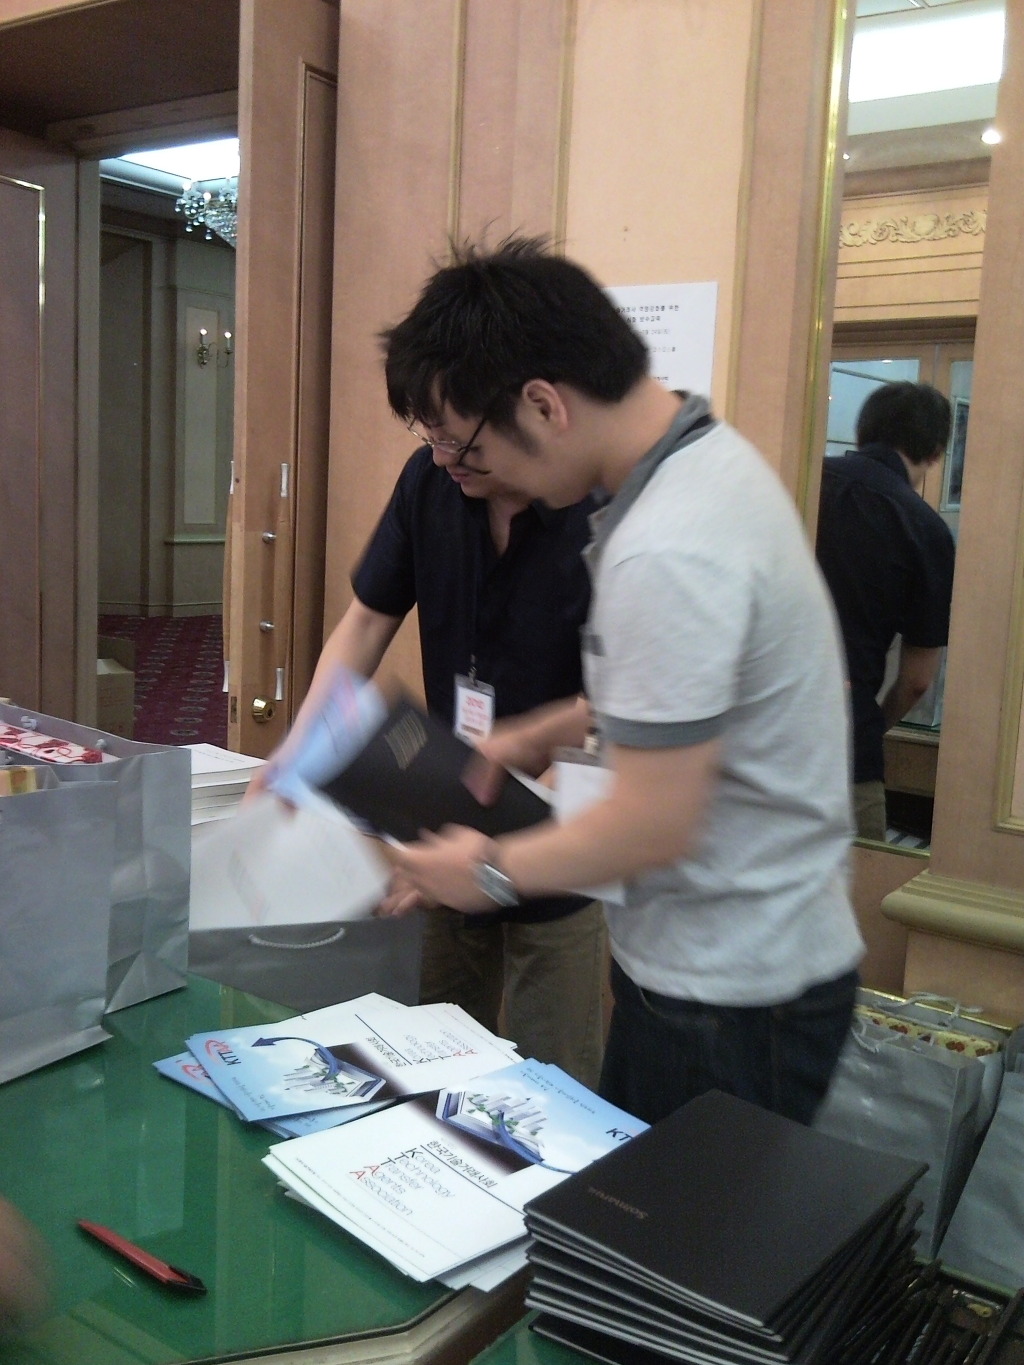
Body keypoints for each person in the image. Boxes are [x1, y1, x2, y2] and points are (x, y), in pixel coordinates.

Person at [376, 236, 864, 1129]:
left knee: (673, 1220)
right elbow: (707, 687)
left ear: (543, 404)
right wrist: (550, 727)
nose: (462, 469)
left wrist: (484, 871)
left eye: (469, 442)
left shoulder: (667, 545)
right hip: (758, 963)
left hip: (726, 991)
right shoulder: (708, 464)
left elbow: (651, 823)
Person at [251, 398, 607, 1089]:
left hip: (561, 832)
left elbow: (619, 716)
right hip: (445, 821)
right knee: (429, 1064)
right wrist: (299, 752)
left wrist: (515, 849)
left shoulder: (595, 510)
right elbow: (364, 624)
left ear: (524, 407)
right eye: (430, 436)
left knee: (554, 1088)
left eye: (461, 442)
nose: (444, 459)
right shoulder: (431, 482)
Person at [815, 382, 956, 841]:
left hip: (750, 734)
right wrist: (870, 725)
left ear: (862, 433)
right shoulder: (926, 529)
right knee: (858, 876)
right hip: (846, 740)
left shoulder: (800, 481)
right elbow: (917, 680)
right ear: (935, 453)